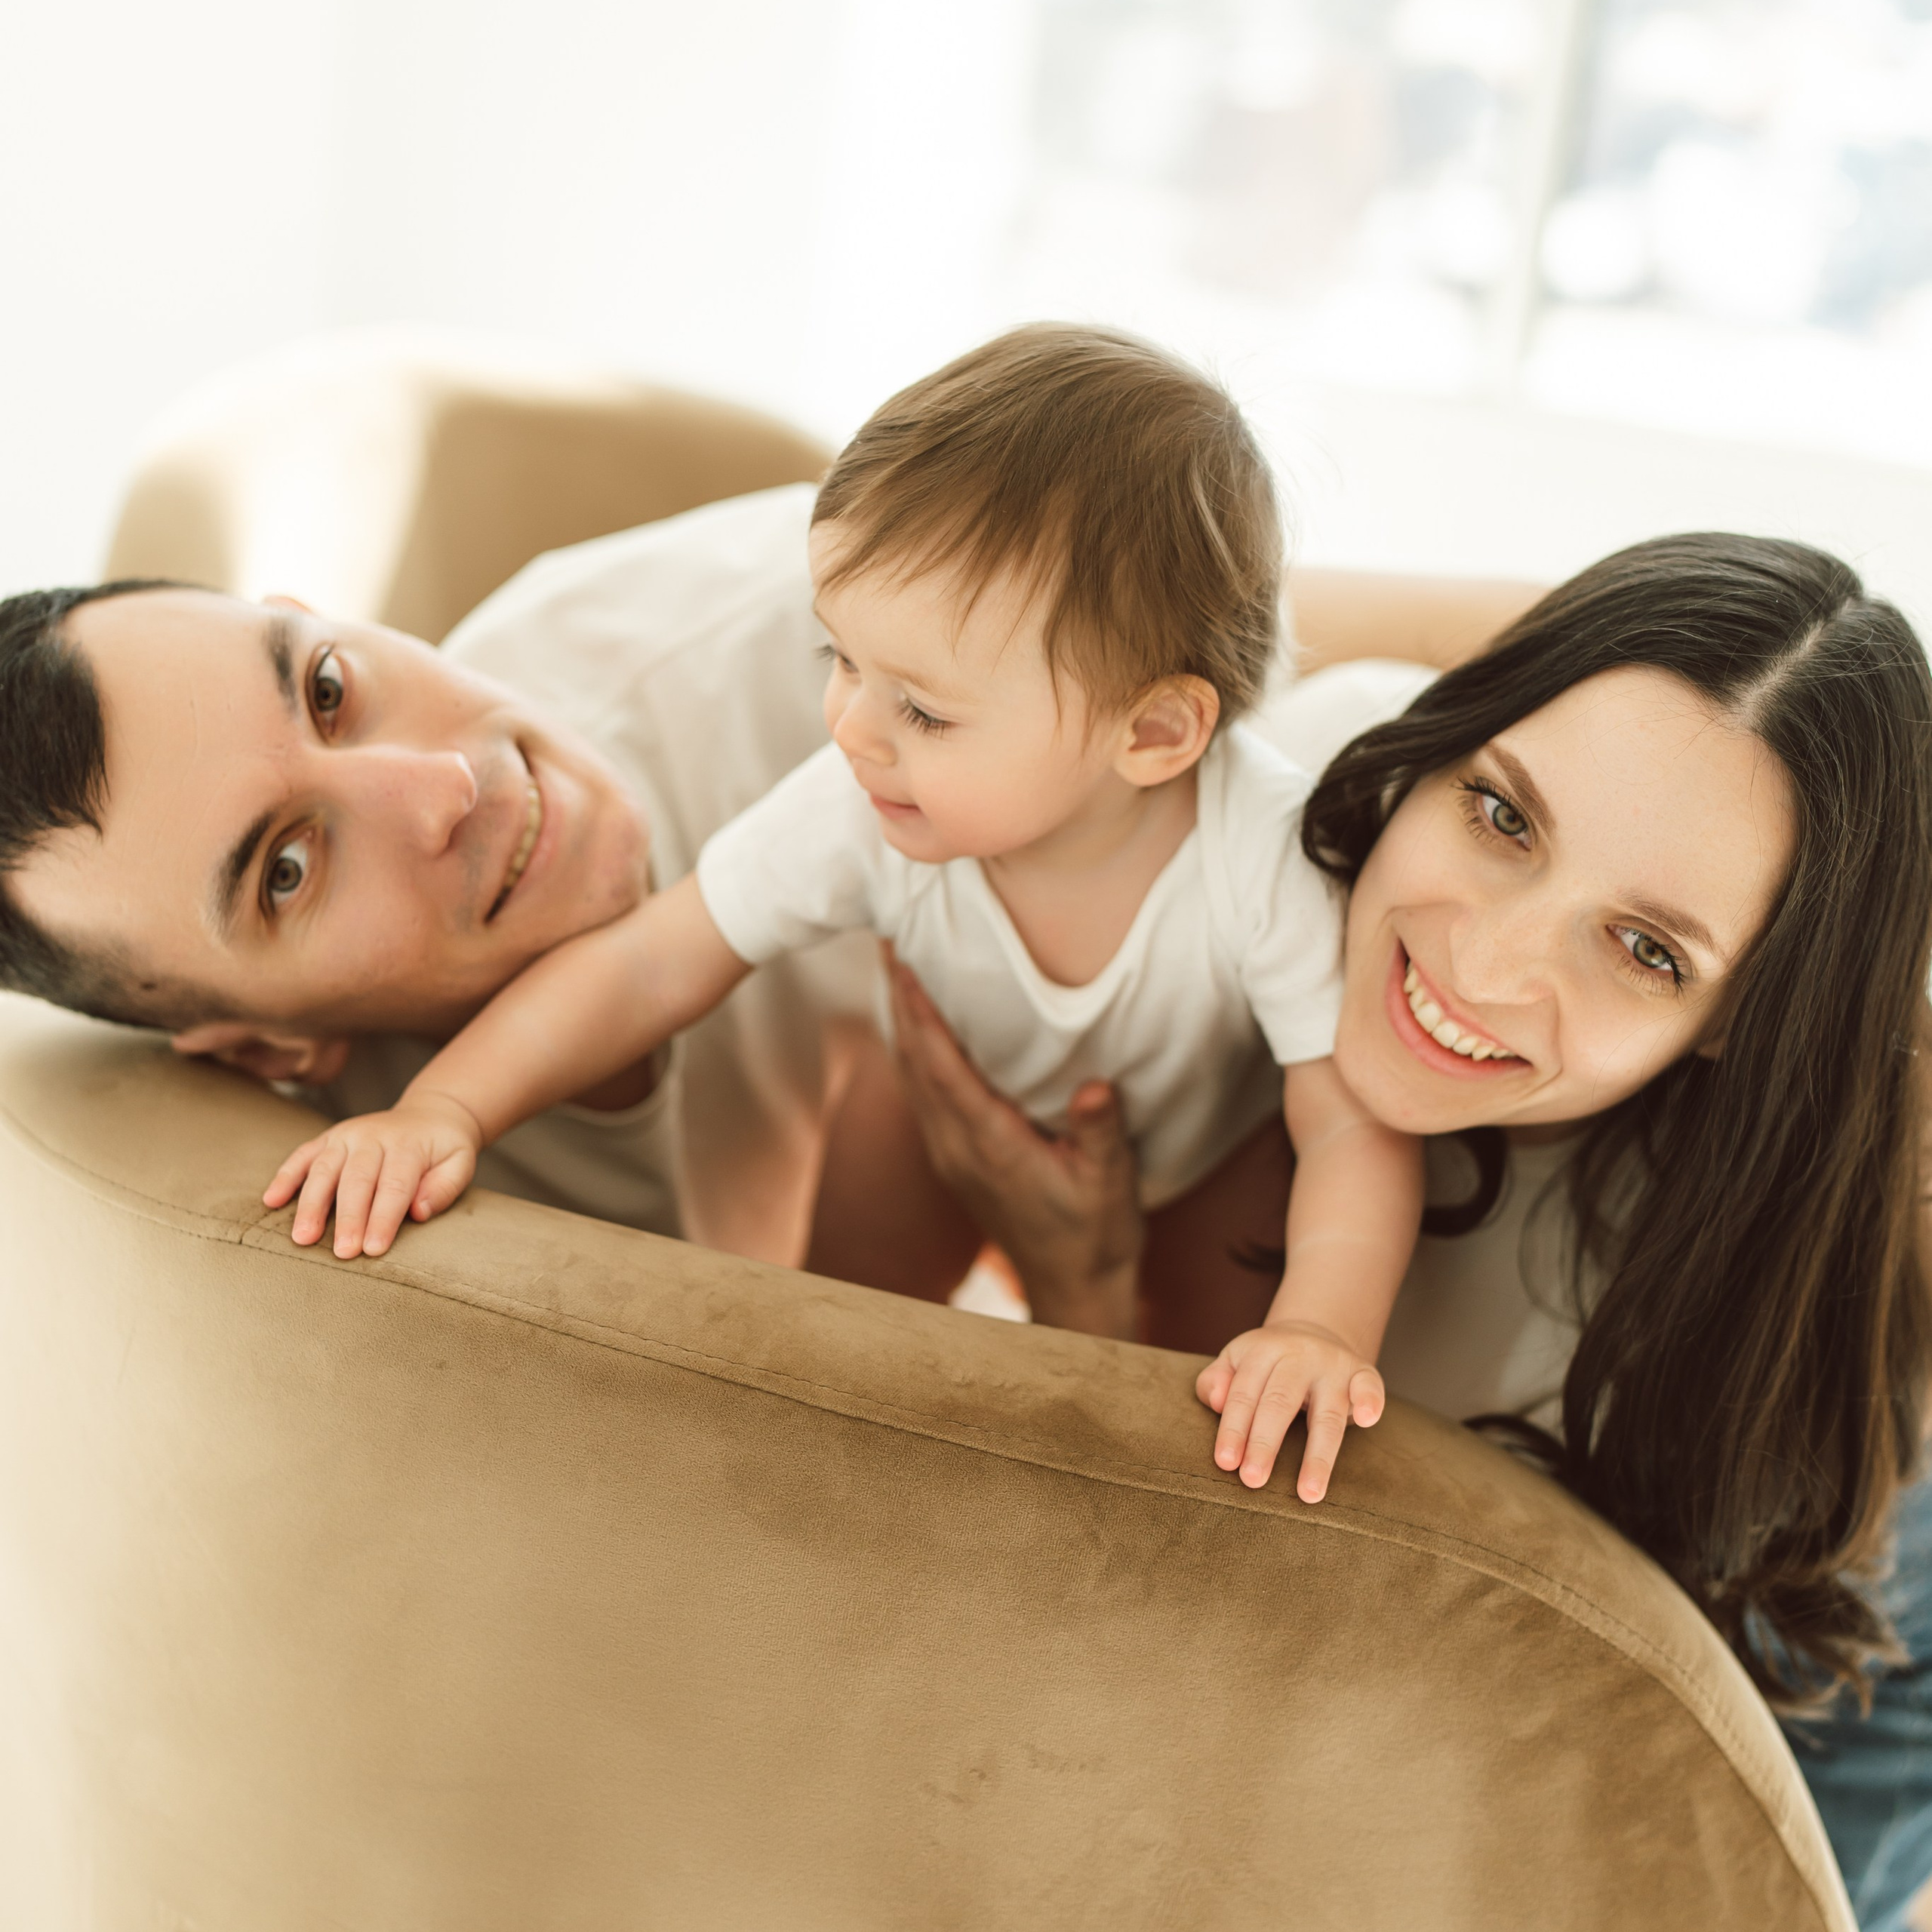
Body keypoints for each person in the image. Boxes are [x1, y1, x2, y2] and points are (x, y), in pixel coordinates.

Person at [879, 535, 1932, 1931]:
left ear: (1732, 1024)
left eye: (1646, 950)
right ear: (1433, 748)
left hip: (1816, 1627)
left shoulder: (1639, 1294)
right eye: (1502, 816)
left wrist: (1080, 1287)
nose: (1484, 967)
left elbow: (1301, 1671)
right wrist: (1088, 1286)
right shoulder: (1269, 797)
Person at [261, 325, 1423, 1504]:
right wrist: (445, 1109)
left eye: (921, 708)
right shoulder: (861, 802)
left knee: (1206, 1424)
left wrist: (1320, 1329)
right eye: (838, 656)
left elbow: (1347, 1126)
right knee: (836, 1350)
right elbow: (652, 967)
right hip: (934, 1097)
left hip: (1203, 1144)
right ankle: (827, 1487)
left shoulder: (1263, 855)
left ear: (1155, 734)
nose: (850, 726)